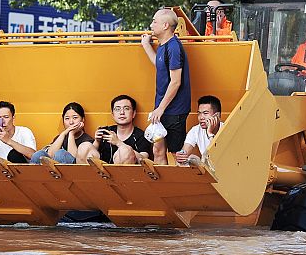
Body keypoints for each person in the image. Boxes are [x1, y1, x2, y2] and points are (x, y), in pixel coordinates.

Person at [141, 8, 191, 164]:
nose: (151, 25)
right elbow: (160, 64)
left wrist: (161, 108)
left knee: (177, 154)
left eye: (154, 21)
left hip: (174, 110)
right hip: (162, 109)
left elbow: (176, 81)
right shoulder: (163, 45)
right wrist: (146, 46)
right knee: (157, 150)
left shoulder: (174, 46)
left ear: (165, 26)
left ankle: (180, 185)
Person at [84, 95, 152, 164]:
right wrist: (97, 141)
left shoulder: (141, 136)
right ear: (113, 114)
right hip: (102, 172)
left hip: (128, 174)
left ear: (133, 113)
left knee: (125, 151)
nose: (122, 112)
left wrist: (118, 143)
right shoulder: (106, 131)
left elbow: (144, 160)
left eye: (126, 108)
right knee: (84, 146)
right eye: (117, 109)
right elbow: (90, 156)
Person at [30, 102, 95, 164]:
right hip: (53, 173)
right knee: (38, 155)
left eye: (75, 118)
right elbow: (50, 155)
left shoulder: (87, 140)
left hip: (75, 173)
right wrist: (64, 133)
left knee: (61, 154)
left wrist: (71, 134)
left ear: (82, 119)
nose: (71, 122)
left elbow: (75, 161)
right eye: (67, 118)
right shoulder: (60, 137)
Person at [175, 95, 224, 165]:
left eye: (205, 113)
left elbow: (218, 156)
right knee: (186, 161)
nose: (201, 117)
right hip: (207, 168)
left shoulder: (226, 129)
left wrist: (210, 134)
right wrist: (181, 156)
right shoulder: (195, 130)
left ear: (217, 116)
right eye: (199, 113)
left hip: (225, 168)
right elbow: (185, 151)